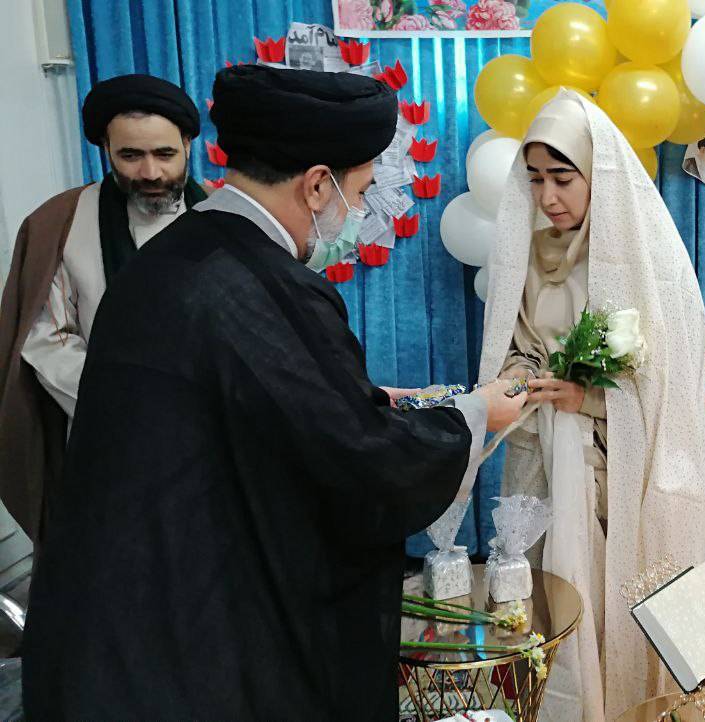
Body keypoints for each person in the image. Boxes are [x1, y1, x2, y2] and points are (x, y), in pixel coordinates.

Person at [22, 65, 527, 719]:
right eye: (360, 192)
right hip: (183, 639)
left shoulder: (179, 253)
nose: (359, 214)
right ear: (317, 184)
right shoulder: (263, 284)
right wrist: (475, 412)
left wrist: (363, 395)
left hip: (109, 613)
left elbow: (244, 402)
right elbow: (362, 460)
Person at [477, 91, 705, 720]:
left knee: (641, 609)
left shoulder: (646, 259)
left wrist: (588, 398)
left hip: (628, 473)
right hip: (549, 464)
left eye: (563, 178)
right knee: (560, 608)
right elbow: (518, 346)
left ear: (598, 176)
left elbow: (671, 381)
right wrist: (522, 379)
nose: (547, 197)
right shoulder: (529, 258)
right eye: (535, 179)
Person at [0, 74, 206, 543]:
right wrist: (135, 405)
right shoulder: (63, 222)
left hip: (214, 440)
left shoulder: (221, 216)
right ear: (105, 150)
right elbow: (47, 338)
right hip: (111, 435)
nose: (150, 172)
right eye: (130, 156)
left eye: (164, 154)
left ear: (188, 145)